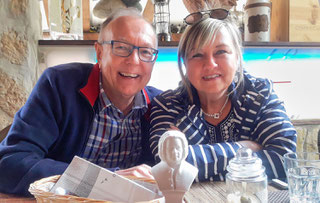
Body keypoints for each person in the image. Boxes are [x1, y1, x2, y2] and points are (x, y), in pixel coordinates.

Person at [0, 8, 161, 196]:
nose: (134, 60)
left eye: (146, 52)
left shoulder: (160, 106)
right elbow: (10, 162)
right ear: (100, 53)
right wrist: (105, 181)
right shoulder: (58, 85)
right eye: (121, 47)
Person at [149, 9, 297, 182]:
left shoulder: (260, 95)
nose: (210, 64)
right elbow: (167, 167)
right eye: (197, 55)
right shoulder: (168, 104)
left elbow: (284, 160)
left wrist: (192, 161)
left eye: (221, 52)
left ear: (237, 57)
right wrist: (245, 149)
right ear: (185, 63)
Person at [151, 130, 198, 203]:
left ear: (183, 149)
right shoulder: (156, 170)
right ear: (164, 150)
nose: (175, 152)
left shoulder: (191, 170)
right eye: (170, 149)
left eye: (178, 148)